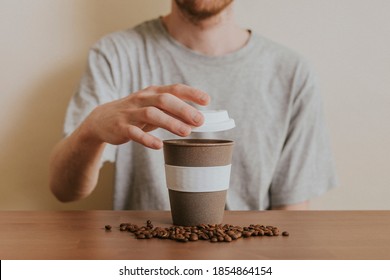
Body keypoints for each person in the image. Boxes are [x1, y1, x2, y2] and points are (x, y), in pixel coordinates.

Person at [49, 0, 337, 210]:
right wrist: (91, 130)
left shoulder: (292, 72)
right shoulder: (115, 55)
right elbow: (64, 190)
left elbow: (292, 212)